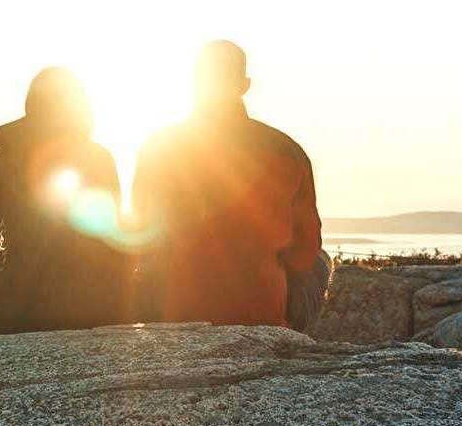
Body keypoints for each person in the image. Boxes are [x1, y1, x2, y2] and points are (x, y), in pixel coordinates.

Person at [132, 41, 330, 330]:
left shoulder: (158, 149)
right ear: (244, 85)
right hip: (262, 316)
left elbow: (139, 237)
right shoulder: (289, 152)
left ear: (195, 82)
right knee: (321, 261)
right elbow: (306, 249)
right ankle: (290, 342)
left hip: (174, 313)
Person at [0, 67, 130, 334]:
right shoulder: (99, 159)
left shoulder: (1, 163)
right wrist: (118, 308)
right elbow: (116, 244)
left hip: (20, 311)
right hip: (93, 310)